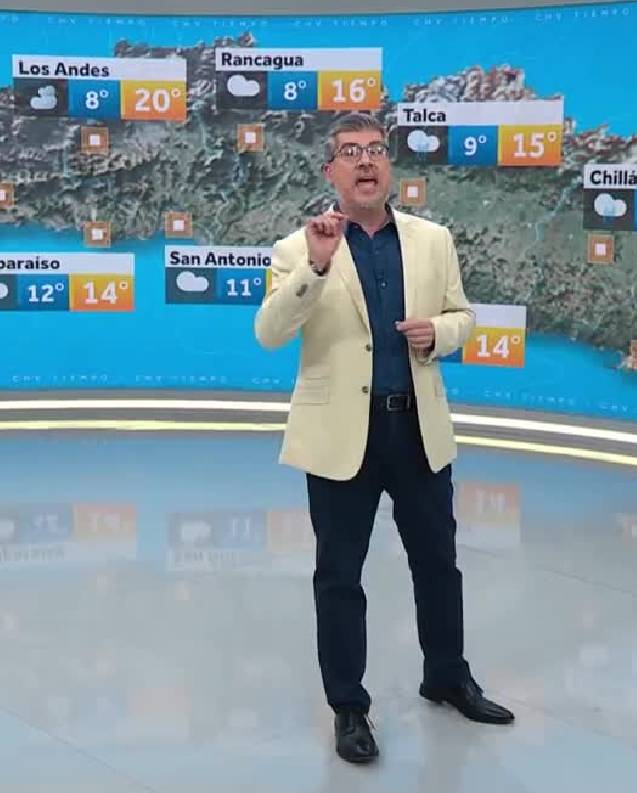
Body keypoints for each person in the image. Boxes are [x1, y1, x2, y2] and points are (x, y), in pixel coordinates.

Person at [254, 113, 515, 765]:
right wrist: (317, 266)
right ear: (331, 171)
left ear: (389, 166)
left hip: (416, 428)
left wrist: (441, 333)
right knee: (340, 574)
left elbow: (462, 315)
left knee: (438, 561)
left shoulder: (433, 240)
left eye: (375, 150)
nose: (365, 161)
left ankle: (447, 675)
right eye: (350, 152)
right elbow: (270, 331)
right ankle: (348, 706)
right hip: (341, 435)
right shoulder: (297, 248)